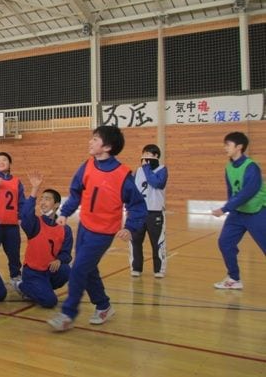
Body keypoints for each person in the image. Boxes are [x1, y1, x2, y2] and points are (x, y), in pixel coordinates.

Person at [47, 125, 147, 332]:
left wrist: (130, 227)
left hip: (103, 233)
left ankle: (68, 314)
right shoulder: (87, 166)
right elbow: (76, 193)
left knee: (78, 270)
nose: (90, 142)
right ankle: (103, 306)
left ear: (107, 146)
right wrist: (65, 213)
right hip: (84, 227)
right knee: (88, 268)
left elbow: (137, 205)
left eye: (95, 139)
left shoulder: (123, 175)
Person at [211, 131, 266, 290]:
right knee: (225, 242)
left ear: (239, 147)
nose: (225, 148)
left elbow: (247, 192)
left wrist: (225, 208)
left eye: (228, 144)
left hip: (257, 212)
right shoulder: (229, 167)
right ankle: (234, 278)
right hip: (237, 214)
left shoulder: (251, 167)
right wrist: (230, 208)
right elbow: (231, 191)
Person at [16, 172, 72, 308]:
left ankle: (41, 289)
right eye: (42, 199)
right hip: (33, 272)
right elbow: (25, 215)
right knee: (50, 302)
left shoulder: (65, 228)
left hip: (49, 271)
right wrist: (34, 190)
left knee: (66, 270)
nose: (42, 202)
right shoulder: (35, 223)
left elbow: (66, 253)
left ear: (56, 204)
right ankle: (22, 285)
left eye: (47, 199)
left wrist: (59, 260)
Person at [129, 144, 169, 278]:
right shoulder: (138, 171)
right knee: (135, 241)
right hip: (139, 213)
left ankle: (159, 270)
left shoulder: (162, 169)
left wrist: (146, 168)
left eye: (149, 155)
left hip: (155, 212)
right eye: (143, 154)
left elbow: (157, 183)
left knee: (157, 242)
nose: (145, 157)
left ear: (156, 156)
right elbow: (133, 190)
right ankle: (136, 267)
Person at [0, 152, 26, 286]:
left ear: (10, 164)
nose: (1, 162)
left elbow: (22, 201)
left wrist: (21, 216)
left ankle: (16, 278)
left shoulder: (16, 182)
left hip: (11, 225)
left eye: (4, 159)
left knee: (14, 255)